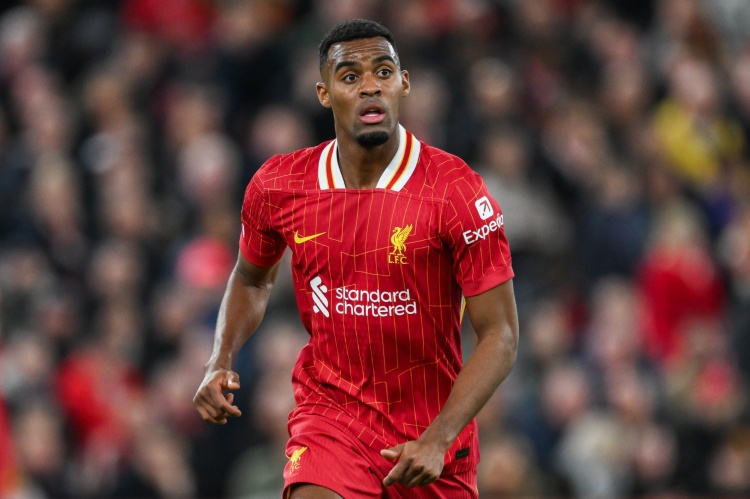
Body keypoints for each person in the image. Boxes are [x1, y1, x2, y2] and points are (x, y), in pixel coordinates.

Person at [193, 18, 519, 499]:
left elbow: (501, 335)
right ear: (324, 93)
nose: (370, 86)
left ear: (403, 83)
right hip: (331, 419)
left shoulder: (455, 190)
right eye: (350, 76)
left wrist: (439, 438)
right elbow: (251, 278)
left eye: (383, 72)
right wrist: (219, 358)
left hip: (430, 434)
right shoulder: (280, 185)